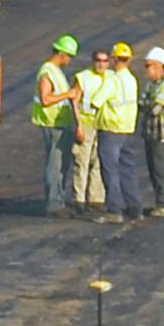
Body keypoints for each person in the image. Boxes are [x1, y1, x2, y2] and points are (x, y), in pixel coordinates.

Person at [88, 41, 143, 219]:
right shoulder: (131, 79)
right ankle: (134, 208)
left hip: (110, 130)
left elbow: (96, 101)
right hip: (127, 130)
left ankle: (114, 210)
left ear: (113, 59)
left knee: (110, 171)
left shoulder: (113, 80)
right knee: (127, 169)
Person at [33, 36, 81, 216]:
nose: (70, 61)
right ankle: (54, 204)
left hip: (60, 124)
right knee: (55, 164)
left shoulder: (55, 71)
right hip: (53, 124)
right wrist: (68, 95)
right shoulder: (47, 72)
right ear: (62, 54)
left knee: (61, 164)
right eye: (69, 56)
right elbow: (46, 99)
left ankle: (58, 201)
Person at [137, 46, 164, 219]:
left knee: (161, 169)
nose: (146, 70)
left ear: (159, 66)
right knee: (153, 168)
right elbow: (142, 104)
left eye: (149, 66)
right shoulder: (152, 85)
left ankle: (163, 204)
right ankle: (158, 202)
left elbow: (155, 109)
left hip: (161, 133)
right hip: (150, 132)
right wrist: (147, 104)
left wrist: (147, 103)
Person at [71, 46, 113, 212]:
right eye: (98, 61)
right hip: (86, 123)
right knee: (82, 161)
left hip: (103, 125)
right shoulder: (83, 77)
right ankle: (79, 199)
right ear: (92, 61)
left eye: (104, 61)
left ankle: (96, 199)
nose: (101, 64)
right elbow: (74, 100)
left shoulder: (112, 77)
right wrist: (78, 126)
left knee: (98, 162)